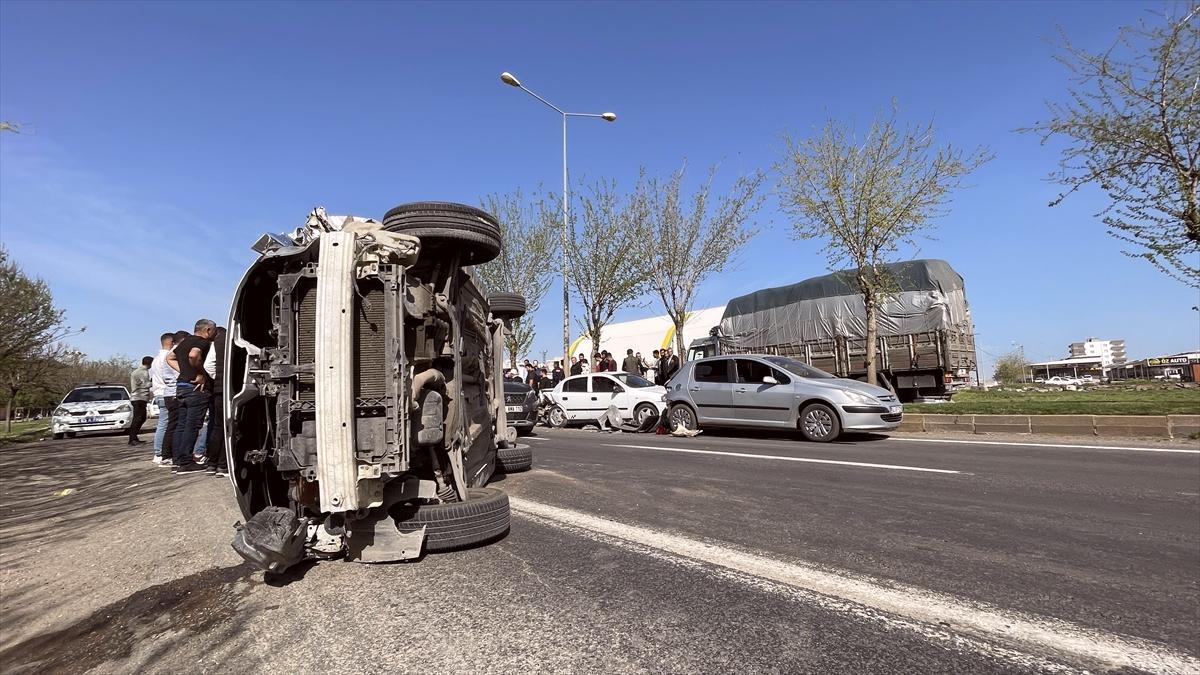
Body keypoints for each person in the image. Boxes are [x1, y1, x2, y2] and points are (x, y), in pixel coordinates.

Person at [167, 319, 216, 475]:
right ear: (208, 330)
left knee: (181, 425)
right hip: (196, 390)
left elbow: (169, 358)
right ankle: (186, 461)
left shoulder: (184, 342)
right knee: (192, 426)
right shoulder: (202, 342)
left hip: (181, 387)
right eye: (213, 331)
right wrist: (199, 373)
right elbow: (194, 355)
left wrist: (184, 371)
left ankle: (178, 461)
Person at [202, 326, 228, 476]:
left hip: (218, 390)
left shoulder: (216, 343)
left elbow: (208, 366)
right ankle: (223, 465)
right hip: (230, 389)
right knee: (230, 427)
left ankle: (212, 464)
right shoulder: (233, 340)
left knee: (218, 427)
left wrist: (217, 378)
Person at [150, 333, 177, 464]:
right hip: (165, 392)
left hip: (158, 392)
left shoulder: (156, 359)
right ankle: (159, 453)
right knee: (165, 424)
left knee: (163, 424)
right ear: (171, 342)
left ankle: (159, 452)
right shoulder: (166, 357)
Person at [127, 356, 153, 446]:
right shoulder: (143, 372)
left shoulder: (138, 371)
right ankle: (132, 438)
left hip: (138, 398)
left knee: (141, 418)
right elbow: (145, 384)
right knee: (138, 418)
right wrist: (154, 382)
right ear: (150, 363)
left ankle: (134, 437)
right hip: (139, 397)